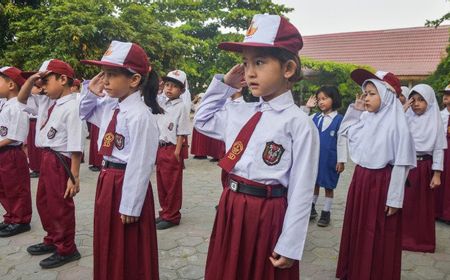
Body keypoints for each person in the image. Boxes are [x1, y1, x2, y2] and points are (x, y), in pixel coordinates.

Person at [194, 14, 319, 280]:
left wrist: (291, 243)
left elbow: (302, 188)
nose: (249, 72)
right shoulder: (240, 112)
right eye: (245, 63)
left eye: (259, 62)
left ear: (287, 69)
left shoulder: (298, 123)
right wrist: (224, 86)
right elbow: (201, 121)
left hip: (267, 212)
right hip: (231, 205)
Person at [79, 40, 161, 280]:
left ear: (134, 80)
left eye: (112, 75)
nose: (105, 81)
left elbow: (141, 162)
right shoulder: (110, 106)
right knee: (107, 238)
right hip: (107, 179)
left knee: (128, 245)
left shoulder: (140, 115)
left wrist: (131, 204)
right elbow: (83, 113)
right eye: (104, 74)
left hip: (126, 181)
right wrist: (91, 93)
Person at [336, 69, 416, 280]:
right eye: (365, 93)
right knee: (359, 228)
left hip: (382, 184)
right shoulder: (365, 119)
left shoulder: (397, 125)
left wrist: (395, 198)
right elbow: (346, 131)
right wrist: (355, 109)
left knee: (379, 232)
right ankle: (354, 270)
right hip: (361, 180)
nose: (366, 98)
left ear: (387, 96)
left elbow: (402, 163)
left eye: (372, 93)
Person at [18, 59, 84, 268]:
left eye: (46, 80)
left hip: (60, 160)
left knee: (60, 206)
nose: (42, 86)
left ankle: (67, 248)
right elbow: (21, 100)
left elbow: (76, 144)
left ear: (63, 79)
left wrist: (74, 177)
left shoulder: (73, 105)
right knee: (44, 202)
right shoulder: (47, 101)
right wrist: (32, 81)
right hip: (47, 158)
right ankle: (52, 238)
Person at [401, 84, 446, 252]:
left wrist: (437, 174)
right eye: (414, 100)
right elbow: (394, 130)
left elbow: (439, 148)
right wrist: (403, 109)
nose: (417, 104)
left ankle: (421, 241)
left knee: (422, 205)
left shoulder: (435, 121)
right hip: (407, 165)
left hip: (424, 167)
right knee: (405, 202)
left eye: (421, 100)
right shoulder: (406, 117)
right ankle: (402, 238)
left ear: (430, 101)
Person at [303, 85, 345, 227]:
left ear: (333, 99)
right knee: (314, 183)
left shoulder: (340, 120)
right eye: (319, 99)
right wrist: (307, 108)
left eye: (325, 98)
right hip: (315, 158)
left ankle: (326, 213)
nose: (321, 102)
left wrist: (341, 160)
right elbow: (301, 122)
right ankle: (311, 208)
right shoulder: (314, 117)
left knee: (328, 186)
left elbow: (341, 141)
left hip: (330, 159)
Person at [155, 69, 191, 230]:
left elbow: (182, 131)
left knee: (172, 184)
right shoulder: (162, 103)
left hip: (172, 149)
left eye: (174, 86)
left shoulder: (181, 107)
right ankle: (164, 212)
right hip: (160, 148)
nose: (169, 89)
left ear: (181, 90)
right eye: (167, 85)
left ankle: (172, 216)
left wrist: (177, 151)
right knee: (162, 183)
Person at [0, 66, 32, 237]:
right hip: (3, 152)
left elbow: (15, 136)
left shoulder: (18, 107)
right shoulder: (5, 105)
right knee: (4, 187)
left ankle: (21, 220)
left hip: (12, 153)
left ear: (11, 84)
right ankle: (10, 217)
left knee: (16, 188)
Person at [435, 84, 450, 223]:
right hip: (444, 150)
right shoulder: (440, 115)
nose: (446, 96)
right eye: (445, 93)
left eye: (449, 94)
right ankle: (440, 211)